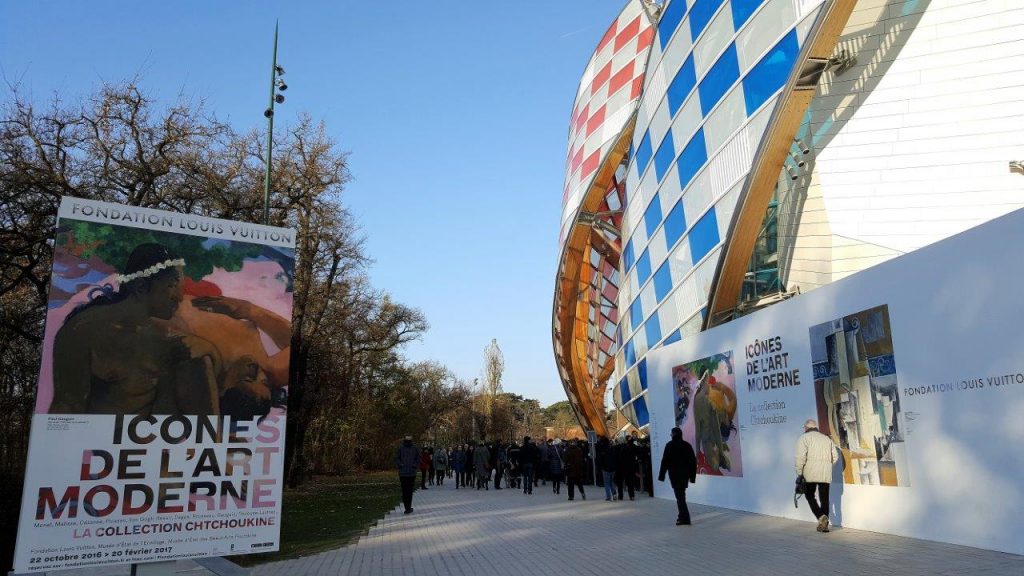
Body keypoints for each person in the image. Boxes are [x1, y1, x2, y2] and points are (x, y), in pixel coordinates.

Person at [795, 418, 839, 532]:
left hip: (810, 473)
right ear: (816, 427)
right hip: (825, 473)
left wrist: (799, 472)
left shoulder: (804, 438)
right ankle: (824, 524)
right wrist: (828, 466)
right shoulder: (826, 439)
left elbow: (800, 457)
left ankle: (821, 517)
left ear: (806, 428)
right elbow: (835, 457)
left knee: (809, 495)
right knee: (824, 498)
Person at [659, 426, 697, 525]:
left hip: (675, 476)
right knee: (680, 496)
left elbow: (665, 461)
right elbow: (693, 462)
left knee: (680, 498)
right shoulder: (687, 445)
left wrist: (661, 476)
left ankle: (685, 519)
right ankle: (681, 516)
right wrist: (692, 477)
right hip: (685, 476)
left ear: (674, 434)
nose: (670, 435)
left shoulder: (669, 445)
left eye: (671, 434)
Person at [395, 435, 419, 514]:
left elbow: (418, 458)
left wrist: (414, 465)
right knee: (406, 490)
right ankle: (407, 507)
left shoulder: (414, 448)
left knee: (408, 490)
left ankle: (408, 507)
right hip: (404, 472)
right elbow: (397, 458)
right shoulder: (401, 448)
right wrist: (401, 465)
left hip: (410, 472)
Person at [616, 436, 639, 500]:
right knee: (630, 483)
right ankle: (632, 496)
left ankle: (620, 496)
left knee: (620, 483)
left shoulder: (616, 448)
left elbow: (615, 459)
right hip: (629, 467)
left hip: (619, 468)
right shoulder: (629, 447)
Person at [596, 436, 617, 501]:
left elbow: (600, 460)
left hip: (605, 468)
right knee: (612, 482)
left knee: (607, 483)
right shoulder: (612, 448)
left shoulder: (602, 449)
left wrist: (600, 466)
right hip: (613, 468)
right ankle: (614, 494)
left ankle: (608, 496)